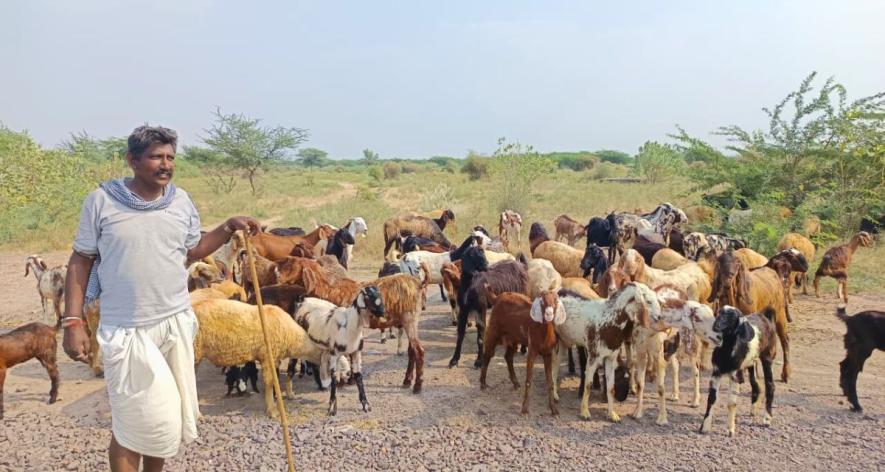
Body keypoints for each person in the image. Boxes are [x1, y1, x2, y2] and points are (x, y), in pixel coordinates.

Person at [61, 125, 260, 472]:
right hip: (126, 328)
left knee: (165, 420)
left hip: (174, 323)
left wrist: (228, 227)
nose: (165, 164)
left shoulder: (180, 201)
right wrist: (73, 321)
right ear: (132, 160)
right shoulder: (102, 201)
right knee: (129, 423)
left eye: (170, 157)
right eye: (156, 156)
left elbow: (191, 251)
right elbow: (81, 260)